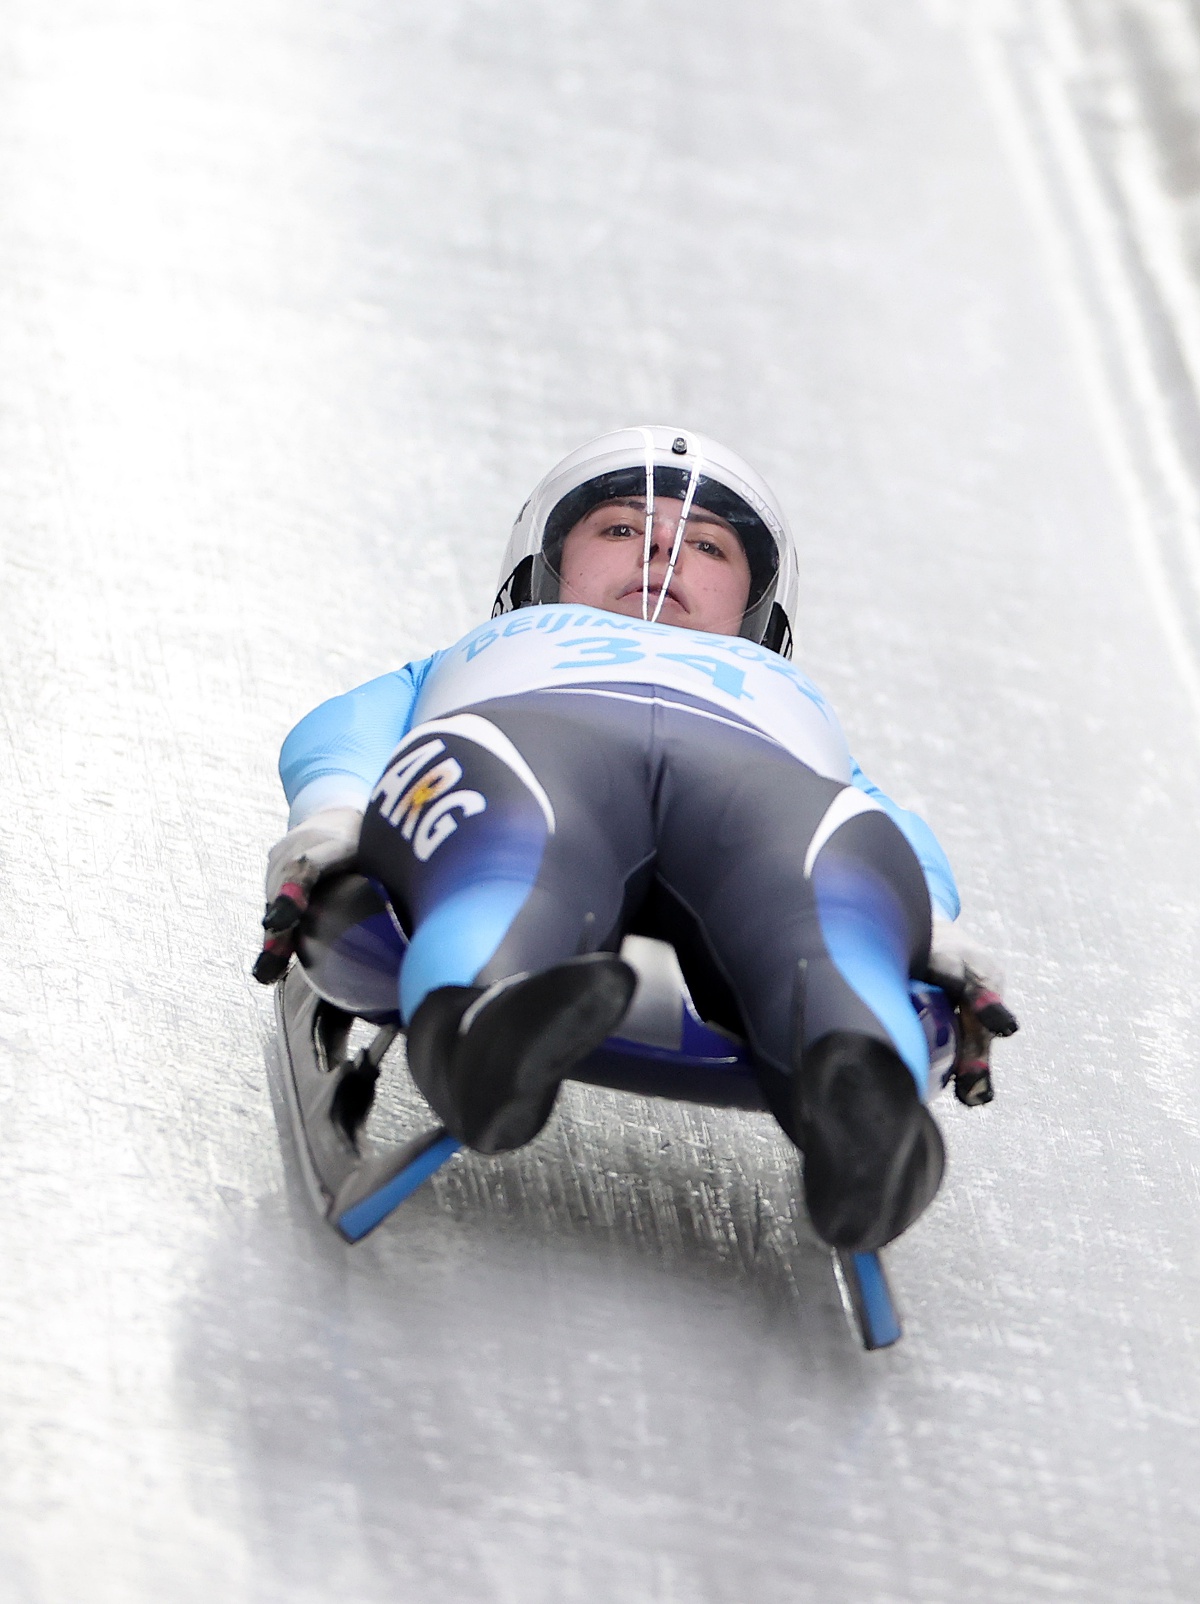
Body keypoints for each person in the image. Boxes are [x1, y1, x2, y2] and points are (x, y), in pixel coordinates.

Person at [255, 426, 1016, 1253]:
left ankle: (864, 1104)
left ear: (752, 603)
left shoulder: (789, 693)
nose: (663, 553)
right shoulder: (478, 653)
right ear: (546, 568)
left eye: (709, 548)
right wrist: (334, 816)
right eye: (620, 529)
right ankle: (489, 1022)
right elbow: (340, 733)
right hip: (531, 735)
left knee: (823, 892)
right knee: (517, 850)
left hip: (764, 785)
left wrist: (928, 921)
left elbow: (875, 822)